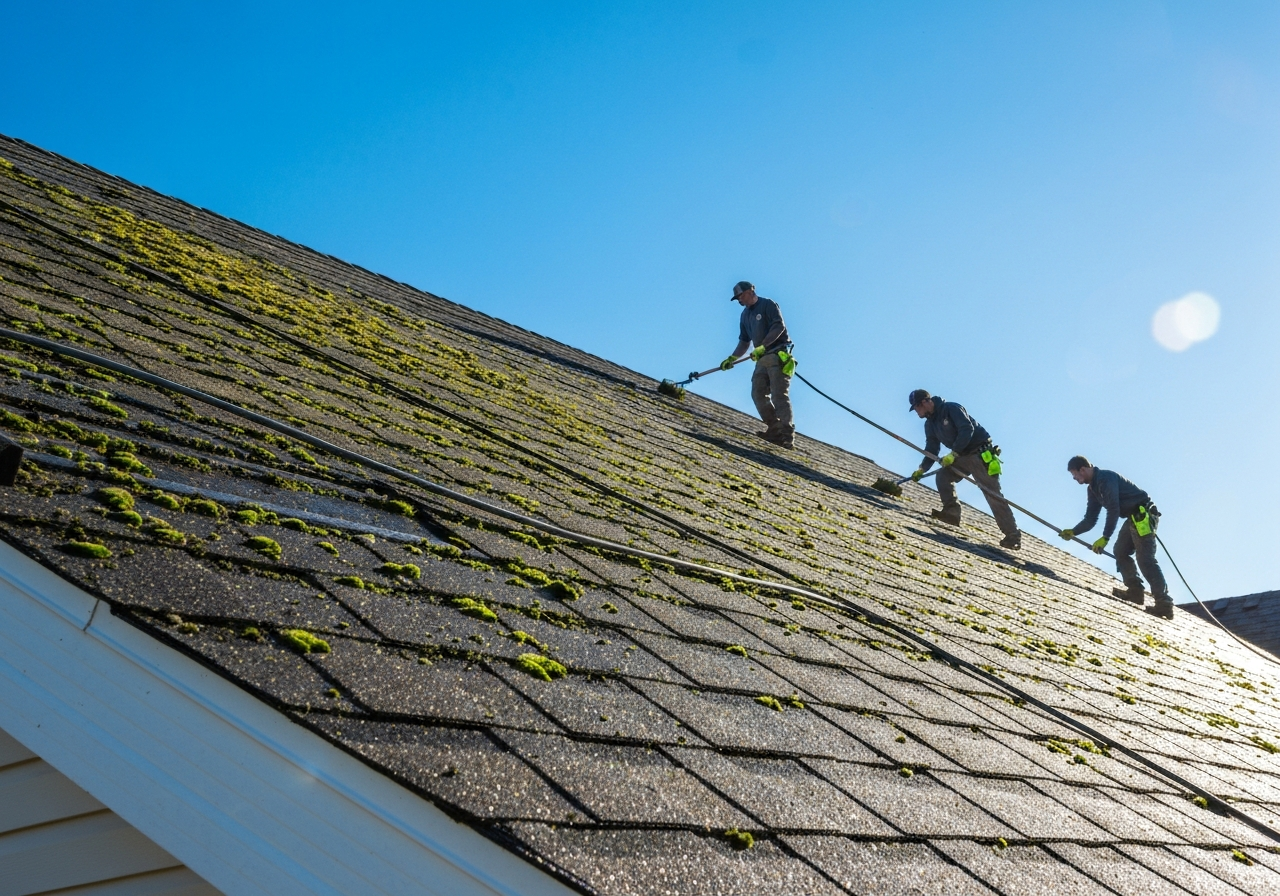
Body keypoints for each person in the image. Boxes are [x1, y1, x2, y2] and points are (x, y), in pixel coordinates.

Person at [1059, 456, 1172, 619]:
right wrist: (1074, 532)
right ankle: (1135, 592)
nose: (1074, 479)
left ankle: (1164, 604)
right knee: (1120, 551)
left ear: (1082, 469)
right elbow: (1091, 518)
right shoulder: (1093, 489)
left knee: (1145, 559)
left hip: (1143, 515)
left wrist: (1105, 537)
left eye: (1074, 474)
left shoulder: (1105, 478)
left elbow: (1113, 509)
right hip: (1132, 518)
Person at [908, 389, 1021, 549]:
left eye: (917, 407)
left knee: (991, 493)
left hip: (978, 453)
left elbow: (967, 429)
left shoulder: (951, 408)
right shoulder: (930, 424)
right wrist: (922, 469)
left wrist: (954, 453)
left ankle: (1012, 535)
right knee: (943, 476)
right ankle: (951, 513)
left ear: (925, 402)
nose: (917, 412)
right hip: (960, 456)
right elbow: (932, 449)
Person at [720, 281, 795, 448]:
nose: (739, 300)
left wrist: (763, 346)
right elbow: (744, 342)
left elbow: (778, 327)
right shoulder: (745, 316)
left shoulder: (768, 305)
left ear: (749, 291)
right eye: (737, 298)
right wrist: (732, 358)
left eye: (740, 296)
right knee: (758, 393)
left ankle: (786, 433)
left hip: (777, 354)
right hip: (762, 359)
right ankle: (774, 429)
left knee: (778, 394)